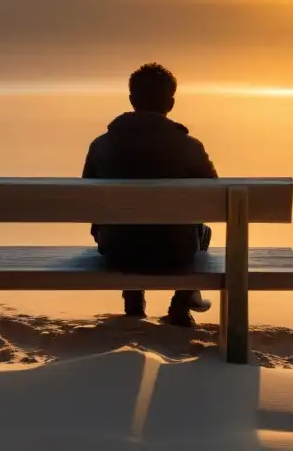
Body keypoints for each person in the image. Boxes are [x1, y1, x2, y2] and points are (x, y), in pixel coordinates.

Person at [83, 63, 216, 326]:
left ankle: (134, 304)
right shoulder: (189, 147)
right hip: (174, 252)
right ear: (171, 102)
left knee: (121, 224)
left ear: (132, 100)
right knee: (204, 230)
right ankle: (181, 305)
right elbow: (213, 199)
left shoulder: (101, 145)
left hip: (118, 250)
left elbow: (88, 202)